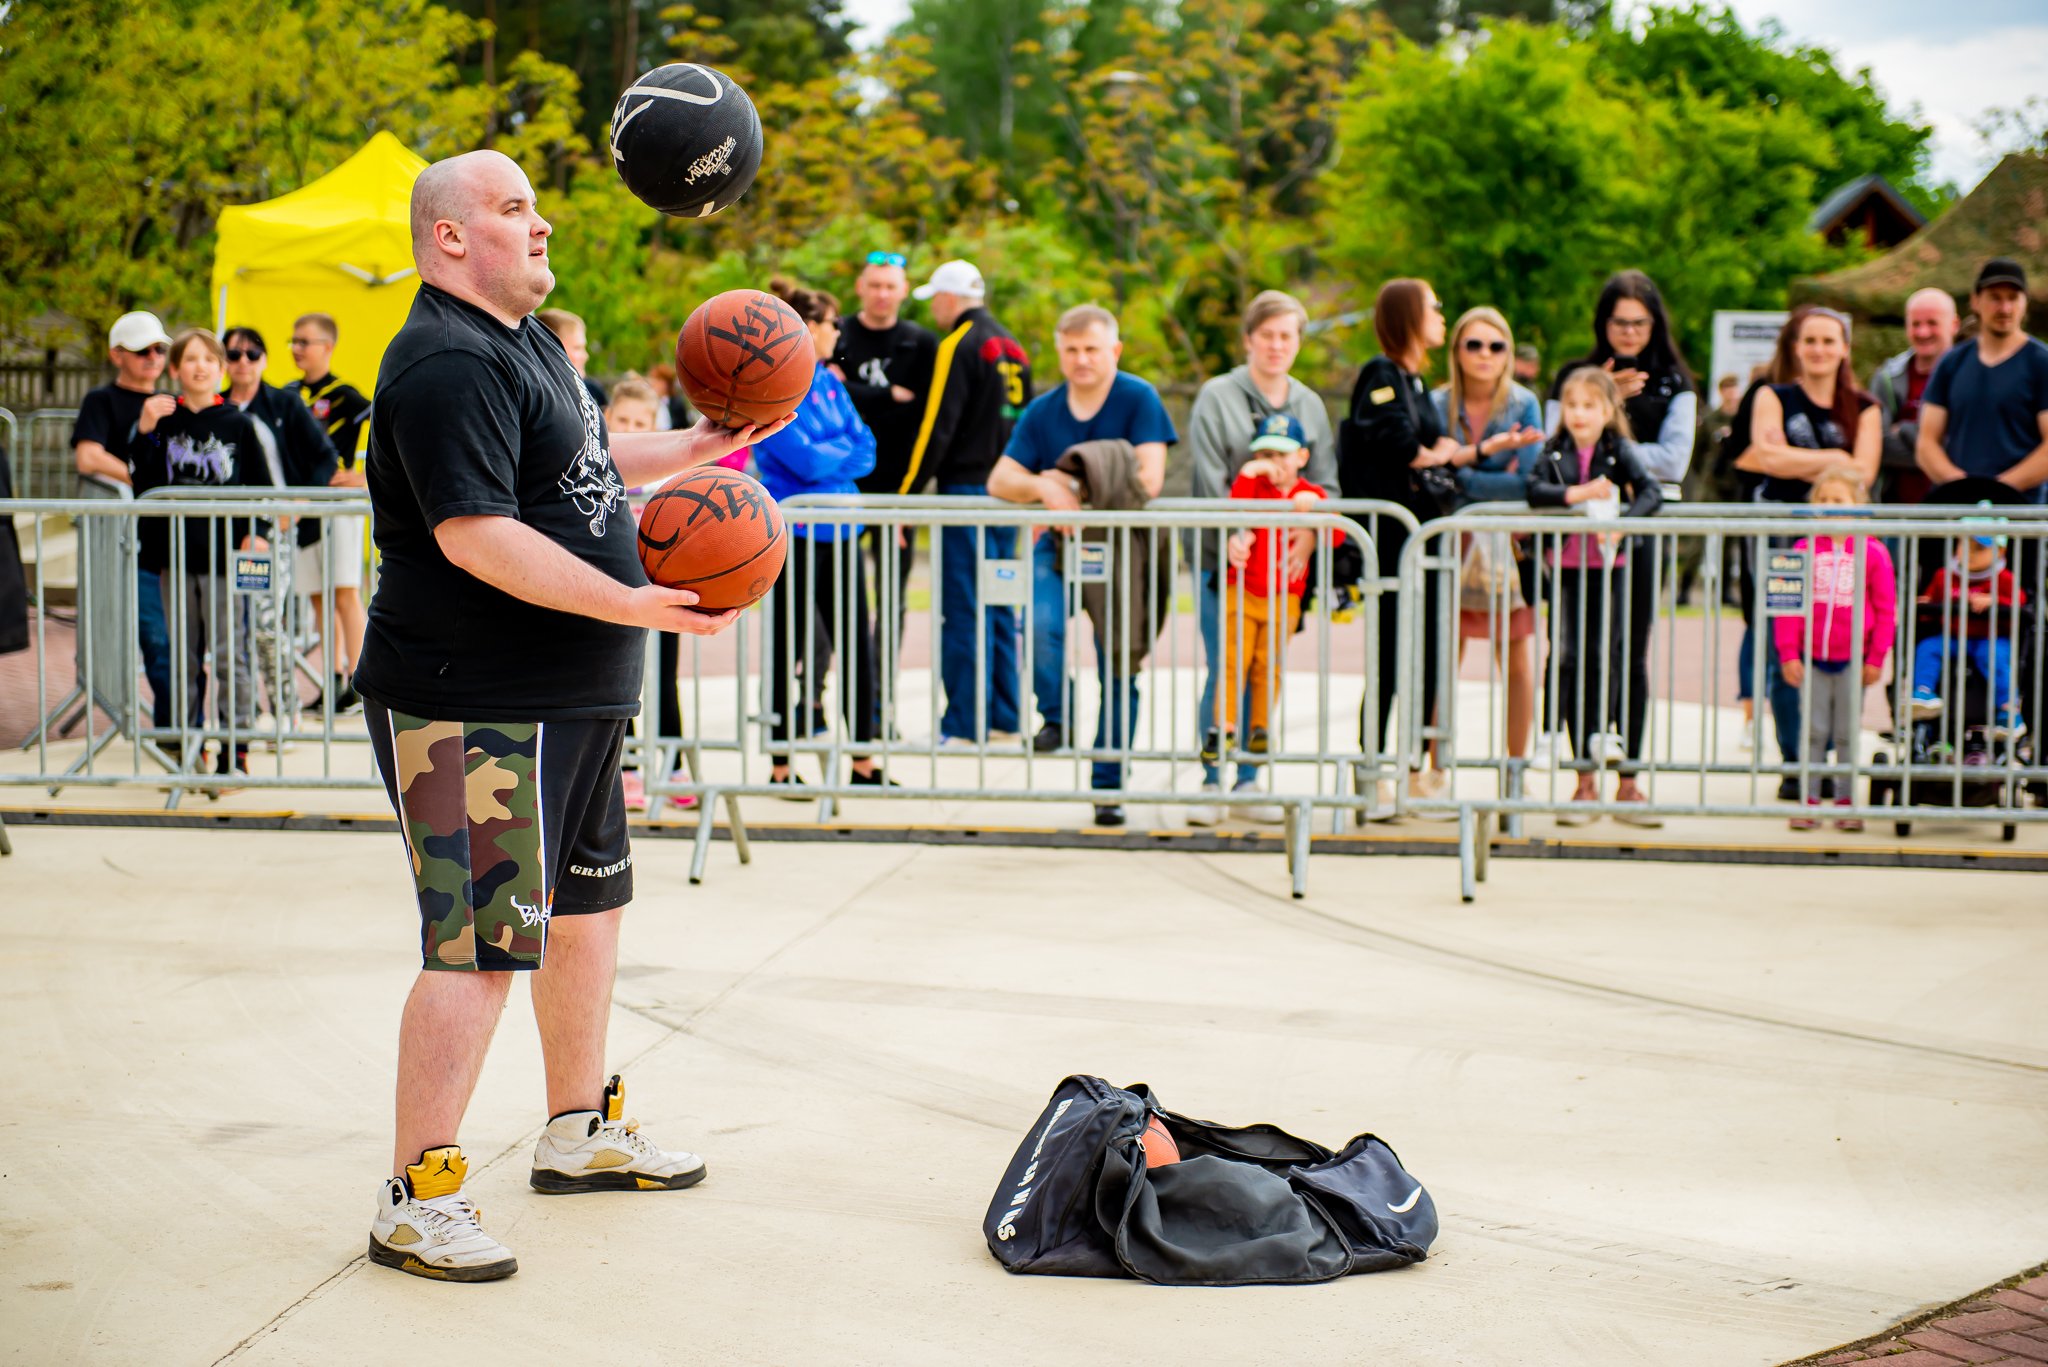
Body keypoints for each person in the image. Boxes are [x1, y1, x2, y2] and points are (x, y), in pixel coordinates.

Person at [353, 149, 786, 1284]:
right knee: (480, 946)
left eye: (536, 205)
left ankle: (576, 1129)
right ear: (450, 236)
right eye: (514, 207)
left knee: (589, 911)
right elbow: (475, 533)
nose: (541, 223)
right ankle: (417, 1194)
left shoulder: (526, 344)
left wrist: (695, 448)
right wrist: (631, 601)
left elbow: (580, 462)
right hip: (474, 702)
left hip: (569, 696)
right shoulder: (445, 360)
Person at [1184, 290, 1335, 824]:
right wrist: (1233, 531)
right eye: (1266, 335)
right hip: (1225, 563)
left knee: (1263, 669)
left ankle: (1250, 779)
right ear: (1248, 339)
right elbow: (1208, 481)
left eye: (1286, 336)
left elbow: (1328, 485)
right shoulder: (1217, 396)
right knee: (1224, 665)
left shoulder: (1310, 405)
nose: (1276, 345)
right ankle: (1211, 781)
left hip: (1282, 573)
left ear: (1298, 342)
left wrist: (1310, 536)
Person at [1541, 272, 1697, 775]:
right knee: (1576, 650)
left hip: (1639, 526)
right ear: (1603, 323)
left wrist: (1607, 442)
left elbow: (1673, 461)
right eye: (1619, 322)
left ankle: (1629, 771)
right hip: (1580, 534)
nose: (1629, 332)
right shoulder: (1574, 374)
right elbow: (1553, 447)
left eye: (1639, 323)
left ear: (1655, 325)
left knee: (1629, 648)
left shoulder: (1674, 381)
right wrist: (1601, 398)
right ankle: (1582, 772)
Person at [1737, 307, 1882, 790]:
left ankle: (1834, 762)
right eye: (1810, 340)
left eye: (1828, 340)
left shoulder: (1864, 407)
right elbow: (1768, 457)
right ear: (1796, 347)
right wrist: (1835, 459)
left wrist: (1800, 462)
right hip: (1784, 540)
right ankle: (1796, 762)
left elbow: (1864, 473)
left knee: (1844, 644)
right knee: (1785, 645)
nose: (1819, 349)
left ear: (1844, 348)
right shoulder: (1772, 396)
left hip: (1843, 544)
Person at [754, 278, 889, 794]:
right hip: (795, 535)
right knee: (787, 648)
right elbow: (804, 461)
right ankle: (781, 763)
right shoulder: (773, 385)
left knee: (857, 646)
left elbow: (868, 448)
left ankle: (864, 760)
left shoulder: (830, 379)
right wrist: (837, 455)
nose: (839, 332)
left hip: (842, 531)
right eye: (833, 323)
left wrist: (829, 454)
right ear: (808, 327)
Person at [125, 328, 273, 780]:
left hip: (224, 559)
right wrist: (145, 429)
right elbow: (142, 481)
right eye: (190, 359)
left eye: (209, 359)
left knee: (231, 655)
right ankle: (189, 747)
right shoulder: (163, 422)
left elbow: (262, 489)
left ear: (221, 369)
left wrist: (257, 533)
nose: (200, 367)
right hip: (174, 558)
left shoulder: (239, 424)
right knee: (183, 659)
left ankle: (235, 748)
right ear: (175, 369)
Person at [902, 259, 1033, 745]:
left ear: (949, 298)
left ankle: (962, 724)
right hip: (1008, 494)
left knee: (962, 608)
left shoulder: (958, 343)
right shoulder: (1013, 346)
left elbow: (937, 425)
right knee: (999, 603)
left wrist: (907, 495)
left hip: (966, 493)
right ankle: (1004, 717)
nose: (934, 309)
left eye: (935, 299)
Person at [1337, 278, 1457, 809]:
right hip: (1390, 542)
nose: (1441, 316)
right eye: (1434, 307)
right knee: (1388, 656)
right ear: (1409, 315)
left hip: (1422, 541)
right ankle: (1372, 768)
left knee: (1425, 655)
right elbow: (1399, 442)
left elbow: (1429, 448)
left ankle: (1411, 766)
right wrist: (1434, 452)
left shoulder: (1418, 381)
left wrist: (1453, 452)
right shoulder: (1381, 373)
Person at [1525, 365, 1663, 824]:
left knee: (1611, 652)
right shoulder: (1554, 450)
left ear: (1608, 410)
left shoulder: (1618, 449)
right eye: (1571, 405)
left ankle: (1614, 749)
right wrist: (1576, 494)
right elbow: (1535, 490)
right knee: (1567, 654)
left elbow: (1650, 491)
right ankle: (1569, 757)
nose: (1579, 413)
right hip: (1568, 568)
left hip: (1612, 568)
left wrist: (1624, 525)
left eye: (1589, 405)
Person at [1211, 414, 1339, 825]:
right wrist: (1250, 473)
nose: (1274, 463)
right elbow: (1237, 509)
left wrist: (1313, 516)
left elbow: (1336, 533)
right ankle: (1224, 727)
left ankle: (1260, 728)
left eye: (1282, 454)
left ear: (1302, 457)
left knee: (1269, 666)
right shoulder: (1255, 487)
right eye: (1266, 454)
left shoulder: (1310, 493)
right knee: (1233, 660)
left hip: (1284, 595)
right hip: (1243, 589)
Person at [1432, 306, 1545, 761]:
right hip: (1450, 541)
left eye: (1496, 346)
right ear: (1457, 351)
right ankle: (1435, 765)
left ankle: (1515, 767)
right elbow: (1430, 477)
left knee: (1516, 656)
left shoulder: (1524, 403)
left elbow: (1530, 481)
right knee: (1444, 654)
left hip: (1508, 542)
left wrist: (1462, 474)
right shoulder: (1437, 404)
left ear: (1508, 353)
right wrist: (1479, 472)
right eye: (1474, 344)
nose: (1485, 354)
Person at [223, 324, 340, 716]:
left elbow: (325, 456)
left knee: (266, 623)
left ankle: (284, 711)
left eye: (252, 354)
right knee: (228, 626)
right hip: (222, 529)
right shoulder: (214, 407)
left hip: (272, 529)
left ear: (265, 360)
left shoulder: (284, 404)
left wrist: (299, 503)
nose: (243, 362)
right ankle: (241, 714)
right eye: (234, 354)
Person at [1772, 467, 1896, 829]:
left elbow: (1886, 610)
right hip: (1812, 659)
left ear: (1858, 505)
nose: (1829, 507)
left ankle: (1845, 801)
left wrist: (1876, 657)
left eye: (1838, 500)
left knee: (1846, 732)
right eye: (1822, 500)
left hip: (1853, 661)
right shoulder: (1803, 549)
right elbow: (1787, 606)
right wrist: (1788, 652)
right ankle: (1809, 800)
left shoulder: (1874, 553)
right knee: (1812, 731)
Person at [70, 311, 176, 734]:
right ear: (117, 355)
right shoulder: (101, 401)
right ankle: (169, 730)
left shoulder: (173, 402)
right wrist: (143, 479)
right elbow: (88, 457)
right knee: (146, 637)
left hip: (166, 543)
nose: (153, 357)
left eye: (160, 349)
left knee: (173, 641)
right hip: (118, 542)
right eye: (142, 350)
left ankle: (175, 729)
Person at [831, 250, 937, 664]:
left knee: (892, 596)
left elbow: (926, 412)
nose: (882, 294)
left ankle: (880, 691)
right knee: (834, 592)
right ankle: (822, 687)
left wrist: (856, 393)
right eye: (874, 285)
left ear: (904, 291)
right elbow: (826, 395)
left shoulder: (921, 342)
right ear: (860, 287)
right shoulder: (837, 334)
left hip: (897, 490)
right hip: (842, 485)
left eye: (890, 286)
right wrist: (889, 394)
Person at [605, 377, 695, 814]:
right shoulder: (595, 470)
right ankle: (627, 768)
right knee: (619, 678)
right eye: (622, 420)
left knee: (663, 676)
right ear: (606, 419)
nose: (630, 428)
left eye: (640, 423)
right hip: (615, 589)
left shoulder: (667, 475)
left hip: (660, 587)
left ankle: (674, 764)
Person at [283, 312, 372, 715]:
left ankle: (361, 681)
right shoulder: (289, 394)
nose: (297, 349)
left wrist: (364, 476)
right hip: (305, 505)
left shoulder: (345, 395)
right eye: (294, 341)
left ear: (327, 346)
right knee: (319, 598)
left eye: (305, 342)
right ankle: (332, 680)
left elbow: (394, 428)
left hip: (337, 505)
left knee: (345, 592)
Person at [1917, 259, 2048, 502]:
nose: (2005, 308)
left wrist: (1998, 491)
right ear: (1976, 301)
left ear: (2025, 302)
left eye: (2013, 298)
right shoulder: (1952, 362)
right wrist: (1963, 487)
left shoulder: (2041, 363)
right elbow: (1926, 443)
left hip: (2022, 511)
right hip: (1959, 510)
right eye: (1995, 298)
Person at [1909, 528, 2026, 738]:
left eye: (1979, 548)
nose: (1970, 553)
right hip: (1954, 637)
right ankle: (1923, 692)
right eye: (1965, 545)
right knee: (1928, 647)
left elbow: (2020, 603)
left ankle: (2009, 710)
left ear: (2000, 552)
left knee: (1995, 657)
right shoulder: (1944, 575)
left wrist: (1995, 600)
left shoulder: (2004, 578)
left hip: (1990, 638)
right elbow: (1931, 602)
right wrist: (1926, 605)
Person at [1869, 288, 1959, 504]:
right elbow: (1877, 444)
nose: (1923, 332)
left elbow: (1966, 446)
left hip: (1954, 506)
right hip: (1897, 510)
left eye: (1932, 323)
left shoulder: (1971, 375)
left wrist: (1904, 430)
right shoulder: (1887, 377)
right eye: (1915, 324)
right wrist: (1935, 448)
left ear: (1954, 325)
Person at [536, 307, 609, 410]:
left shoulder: (593, 392)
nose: (585, 356)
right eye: (577, 348)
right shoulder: (539, 398)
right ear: (549, 349)